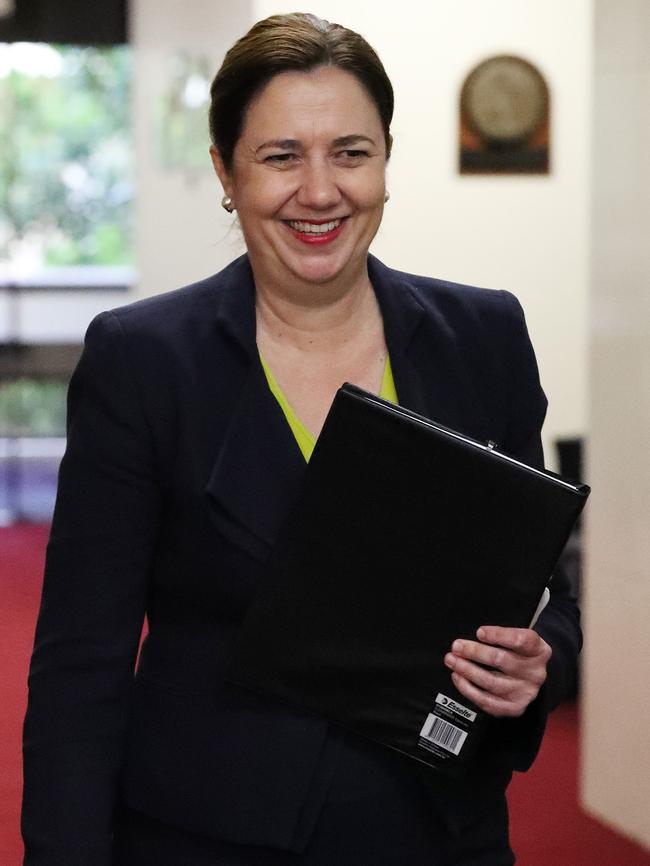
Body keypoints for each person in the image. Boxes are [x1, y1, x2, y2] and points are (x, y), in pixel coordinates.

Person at [21, 12, 581, 866]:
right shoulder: (143, 361)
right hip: (207, 838)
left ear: (386, 160)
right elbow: (80, 665)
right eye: (282, 156)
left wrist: (545, 664)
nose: (320, 192)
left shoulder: (486, 338)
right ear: (226, 172)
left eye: (350, 153)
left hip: (439, 834)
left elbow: (542, 598)